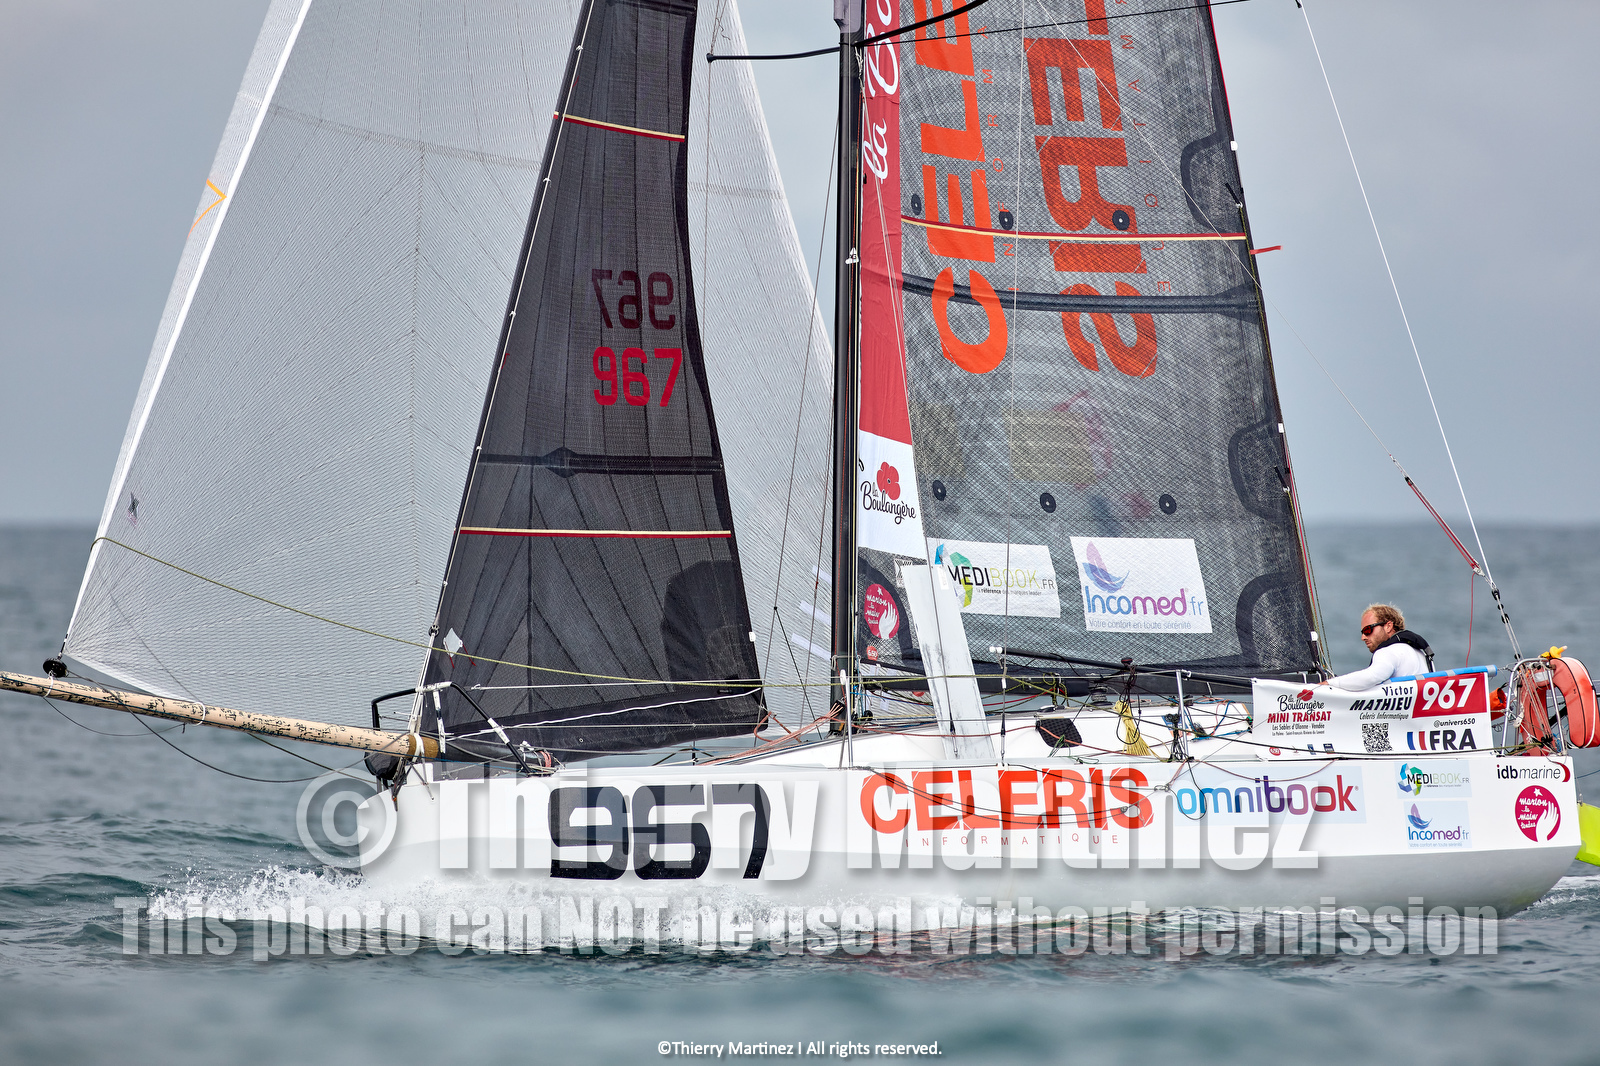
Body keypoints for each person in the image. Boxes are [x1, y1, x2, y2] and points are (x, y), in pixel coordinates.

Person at [1326, 604, 1434, 691]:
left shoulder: (1388, 652)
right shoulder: (1421, 653)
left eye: (1368, 630)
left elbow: (1371, 677)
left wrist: (1329, 684)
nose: (1363, 637)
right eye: (1363, 632)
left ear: (1388, 626)